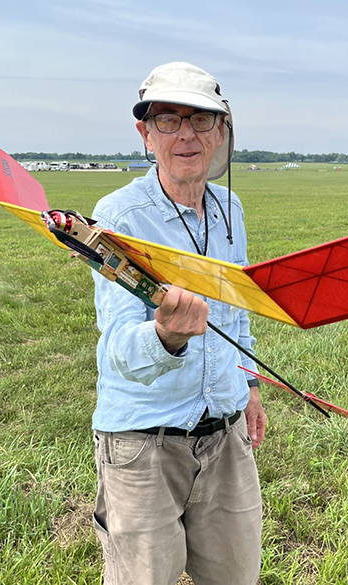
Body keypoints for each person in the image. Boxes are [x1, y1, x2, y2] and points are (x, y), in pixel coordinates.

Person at [90, 62, 267, 585]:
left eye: (201, 120)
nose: (186, 134)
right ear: (145, 134)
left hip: (225, 436)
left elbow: (236, 312)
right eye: (168, 120)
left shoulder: (229, 207)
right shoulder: (119, 218)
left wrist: (249, 385)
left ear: (220, 132)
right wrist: (167, 336)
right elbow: (117, 348)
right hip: (144, 444)